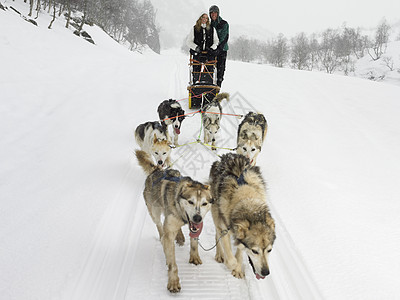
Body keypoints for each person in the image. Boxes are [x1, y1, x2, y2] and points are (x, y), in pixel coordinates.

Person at [186, 13, 219, 84]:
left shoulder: (212, 29)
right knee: (196, 71)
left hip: (209, 53)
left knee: (209, 72)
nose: (205, 19)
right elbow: (188, 42)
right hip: (197, 53)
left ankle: (208, 87)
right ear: (200, 18)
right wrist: (196, 48)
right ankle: (196, 86)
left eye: (206, 18)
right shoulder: (194, 28)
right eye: (203, 17)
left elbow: (216, 41)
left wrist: (212, 48)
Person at [209, 5, 229, 87]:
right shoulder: (209, 24)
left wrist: (218, 48)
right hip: (212, 50)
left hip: (222, 49)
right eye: (212, 13)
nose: (213, 14)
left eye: (215, 13)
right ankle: (209, 88)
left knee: (220, 70)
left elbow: (224, 37)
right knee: (209, 69)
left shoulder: (224, 23)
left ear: (218, 13)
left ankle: (218, 88)